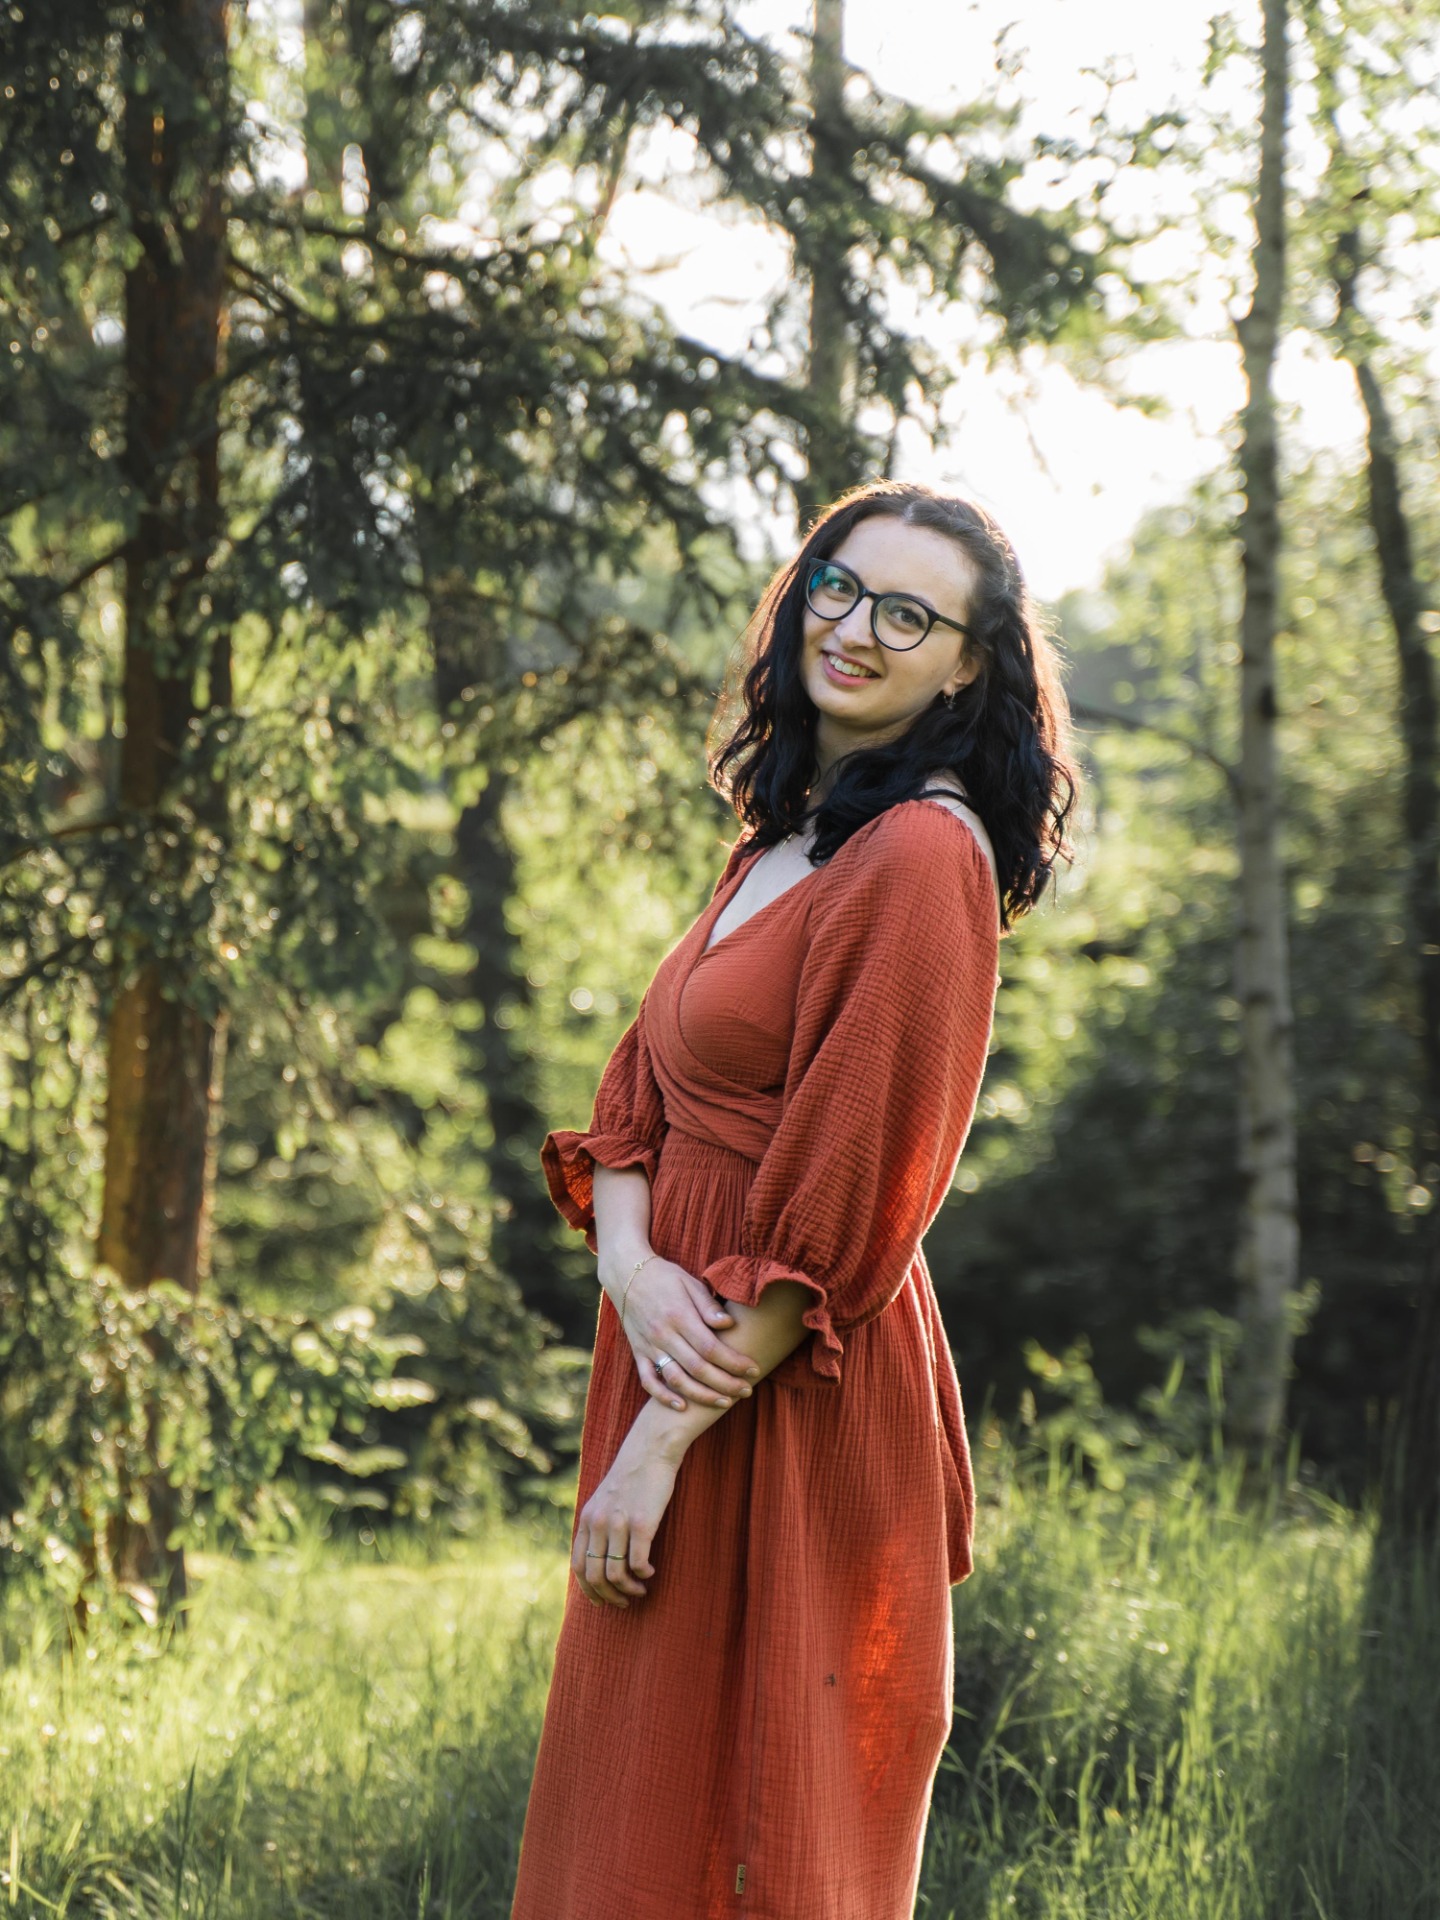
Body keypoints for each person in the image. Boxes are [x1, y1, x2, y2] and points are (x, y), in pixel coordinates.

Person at [509, 480, 1077, 1920]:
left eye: (910, 616)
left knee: (766, 1824)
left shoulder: (922, 856)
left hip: (779, 1378)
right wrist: (631, 1269)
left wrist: (658, 1443)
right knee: (637, 1797)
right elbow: (639, 1087)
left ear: (967, 668)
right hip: (676, 1337)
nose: (858, 629)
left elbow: (857, 1198)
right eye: (841, 585)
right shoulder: (784, 838)